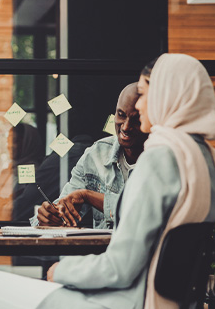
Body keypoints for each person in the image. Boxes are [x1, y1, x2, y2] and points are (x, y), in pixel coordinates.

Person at [0, 53, 215, 309]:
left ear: (169, 96)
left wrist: (62, 271)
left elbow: (120, 268)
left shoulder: (159, 159)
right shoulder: (210, 161)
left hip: (121, 300)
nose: (140, 105)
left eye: (145, 94)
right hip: (167, 302)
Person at [33, 82, 147, 228]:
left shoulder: (160, 160)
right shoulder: (95, 155)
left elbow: (141, 212)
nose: (125, 126)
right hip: (99, 250)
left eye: (136, 120)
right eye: (121, 115)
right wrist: (50, 216)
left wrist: (88, 196)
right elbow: (65, 206)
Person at [0, 123, 44, 221]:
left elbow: (23, 203)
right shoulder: (6, 172)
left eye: (15, 141)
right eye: (8, 141)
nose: (10, 146)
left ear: (29, 143)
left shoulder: (35, 173)